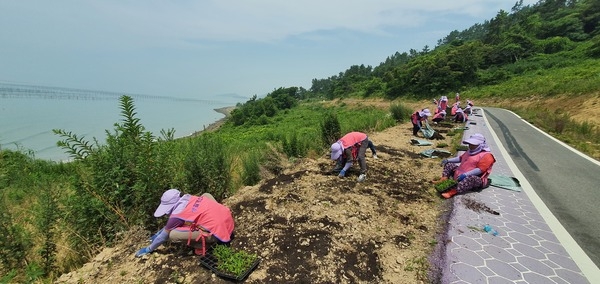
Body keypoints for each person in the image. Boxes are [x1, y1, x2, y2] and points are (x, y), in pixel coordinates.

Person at [135, 189, 235, 257]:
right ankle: (217, 224)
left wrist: (149, 249)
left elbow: (164, 236)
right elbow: (168, 226)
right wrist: (157, 234)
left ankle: (205, 245)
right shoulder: (189, 199)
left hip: (218, 234)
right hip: (228, 221)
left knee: (173, 235)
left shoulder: (177, 215)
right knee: (205, 195)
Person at [435, 133, 496, 198]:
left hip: (474, 178)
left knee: (470, 178)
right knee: (449, 165)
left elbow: (480, 170)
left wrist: (466, 175)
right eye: (470, 144)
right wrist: (448, 160)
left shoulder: (487, 156)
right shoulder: (469, 151)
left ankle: (453, 191)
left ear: (480, 145)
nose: (470, 146)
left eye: (473, 145)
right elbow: (460, 158)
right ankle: (443, 179)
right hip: (460, 174)